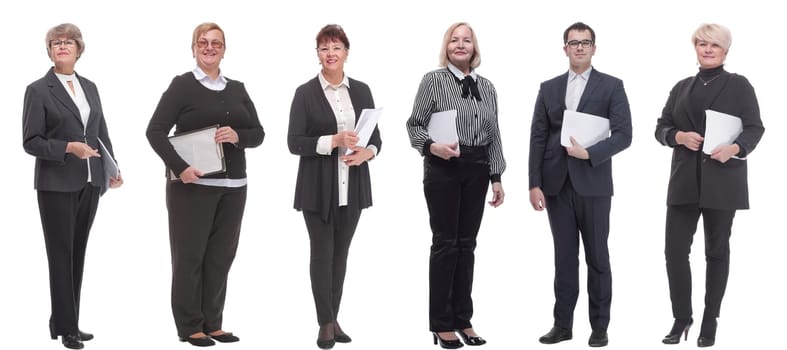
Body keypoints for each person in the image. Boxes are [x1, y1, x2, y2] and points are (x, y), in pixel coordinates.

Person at [146, 22, 264, 347]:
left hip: (234, 186)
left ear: (225, 49)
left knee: (220, 257)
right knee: (190, 257)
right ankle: (189, 326)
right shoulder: (182, 86)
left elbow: (259, 133)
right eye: (203, 42)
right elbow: (155, 132)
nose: (209, 47)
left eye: (216, 43)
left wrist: (239, 136)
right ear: (194, 48)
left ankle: (214, 323)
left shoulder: (237, 87)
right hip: (193, 187)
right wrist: (180, 168)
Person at [654, 23, 764, 348]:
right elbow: (661, 127)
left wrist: (734, 148)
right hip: (684, 183)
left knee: (716, 253)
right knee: (674, 252)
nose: (707, 49)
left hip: (722, 182)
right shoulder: (680, 87)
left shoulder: (739, 85)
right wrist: (677, 136)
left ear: (725, 50)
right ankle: (681, 317)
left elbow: (755, 128)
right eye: (702, 43)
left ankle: (709, 320)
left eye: (713, 45)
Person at [528, 22, 632, 348]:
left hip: (595, 184)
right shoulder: (549, 88)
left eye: (585, 42)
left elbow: (624, 135)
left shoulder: (612, 86)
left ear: (594, 48)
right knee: (564, 258)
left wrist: (591, 153)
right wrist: (534, 184)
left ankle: (599, 327)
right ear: (565, 49)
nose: (579, 47)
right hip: (556, 185)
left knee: (598, 258)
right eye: (573, 43)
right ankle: (562, 325)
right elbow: (538, 137)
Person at [22, 23, 123, 350]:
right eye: (55, 43)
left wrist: (112, 168)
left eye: (68, 42)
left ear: (79, 49)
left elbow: (100, 132)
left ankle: (69, 321)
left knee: (77, 252)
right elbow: (31, 141)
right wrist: (68, 147)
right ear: (49, 51)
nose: (62, 46)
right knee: (61, 254)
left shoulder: (90, 87)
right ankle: (67, 328)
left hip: (90, 181)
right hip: (56, 184)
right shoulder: (38, 90)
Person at [406, 22, 505, 349]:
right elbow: (414, 124)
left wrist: (496, 177)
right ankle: (441, 323)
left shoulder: (487, 86)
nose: (460, 45)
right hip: (443, 167)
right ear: (446, 47)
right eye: (454, 40)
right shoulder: (433, 81)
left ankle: (464, 318)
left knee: (467, 245)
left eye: (467, 40)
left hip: (477, 168)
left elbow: (495, 134)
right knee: (446, 244)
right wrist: (431, 146)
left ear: (474, 48)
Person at [287, 24, 381, 350]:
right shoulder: (305, 93)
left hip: (352, 186)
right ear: (317, 54)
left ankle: (334, 315)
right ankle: (325, 322)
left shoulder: (363, 90)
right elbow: (294, 142)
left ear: (346, 53)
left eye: (336, 47)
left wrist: (367, 152)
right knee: (321, 254)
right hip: (317, 188)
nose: (331, 53)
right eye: (324, 48)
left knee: (340, 255)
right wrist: (334, 141)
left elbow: (376, 141)